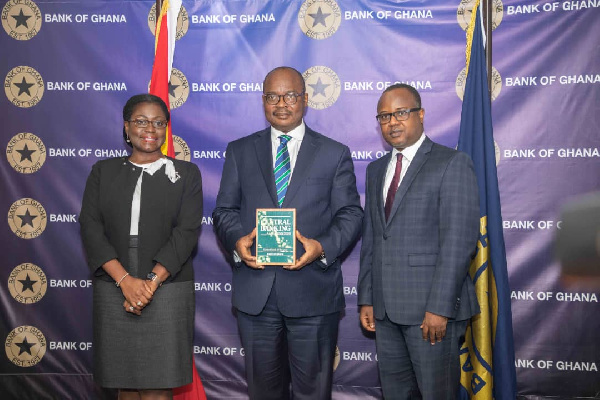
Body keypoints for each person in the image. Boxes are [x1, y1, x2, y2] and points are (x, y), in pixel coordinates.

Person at [212, 66, 363, 400]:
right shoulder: (240, 151)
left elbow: (351, 214)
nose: (281, 103)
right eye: (272, 96)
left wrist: (322, 247)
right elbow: (224, 211)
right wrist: (237, 240)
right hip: (256, 296)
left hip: (313, 292)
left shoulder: (333, 153)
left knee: (312, 392)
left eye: (290, 95)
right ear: (263, 101)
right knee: (264, 392)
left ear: (305, 100)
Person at [357, 84, 480, 399]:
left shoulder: (451, 163)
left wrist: (439, 308)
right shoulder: (375, 171)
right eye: (384, 116)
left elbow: (459, 242)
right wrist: (368, 298)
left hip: (430, 314)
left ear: (420, 114)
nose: (392, 122)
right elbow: (372, 239)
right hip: (385, 313)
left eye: (401, 113)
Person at [79, 94, 203, 400]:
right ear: (126, 126)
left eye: (159, 122)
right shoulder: (102, 172)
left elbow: (186, 232)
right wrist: (124, 281)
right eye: (141, 121)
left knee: (158, 386)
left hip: (167, 286)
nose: (150, 128)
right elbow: (91, 228)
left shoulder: (187, 174)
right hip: (114, 284)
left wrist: (149, 284)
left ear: (166, 129)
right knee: (126, 384)